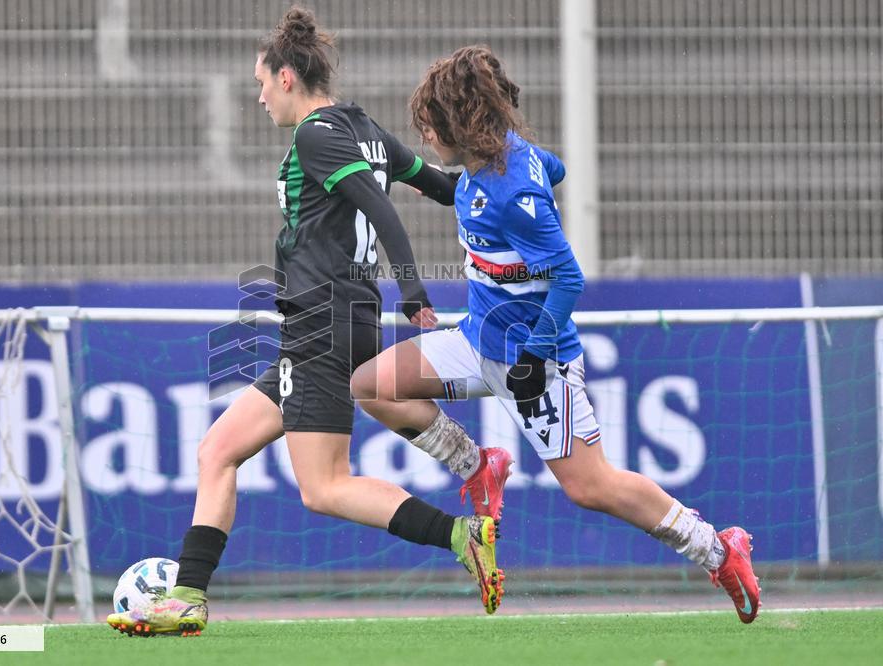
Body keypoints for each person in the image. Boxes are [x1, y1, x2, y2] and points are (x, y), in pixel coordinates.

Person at [107, 11, 506, 637]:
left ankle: (461, 534)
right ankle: (187, 596)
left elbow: (381, 209)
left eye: (261, 82)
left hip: (322, 322)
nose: (259, 95)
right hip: (332, 321)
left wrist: (413, 289)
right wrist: (507, 183)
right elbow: (443, 187)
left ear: (287, 77)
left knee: (324, 487)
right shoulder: (365, 129)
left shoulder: (317, 136)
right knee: (217, 451)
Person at [350, 45, 761, 624]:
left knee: (591, 487)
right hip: (477, 341)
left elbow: (569, 278)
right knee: (371, 385)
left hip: (534, 362)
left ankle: (718, 550)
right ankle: (478, 465)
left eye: (430, 126)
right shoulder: (495, 169)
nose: (425, 137)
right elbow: (554, 169)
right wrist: (471, 186)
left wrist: (536, 355)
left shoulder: (513, 193)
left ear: (459, 124)